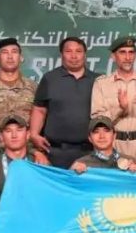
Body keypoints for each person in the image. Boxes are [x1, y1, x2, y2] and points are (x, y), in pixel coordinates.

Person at [91, 37, 136, 170]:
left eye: (131, 52)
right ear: (113, 56)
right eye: (122, 52)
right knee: (115, 183)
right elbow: (97, 119)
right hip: (113, 145)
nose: (127, 57)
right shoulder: (102, 83)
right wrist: (120, 108)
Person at [30, 36, 99, 169]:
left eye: (78, 51)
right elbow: (39, 109)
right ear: (61, 54)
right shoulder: (50, 78)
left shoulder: (98, 80)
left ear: (85, 55)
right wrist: (34, 134)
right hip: (56, 152)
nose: (74, 56)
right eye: (69, 51)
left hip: (89, 152)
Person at [0, 38, 37, 150]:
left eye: (14, 52)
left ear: (21, 58)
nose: (10, 56)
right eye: (5, 52)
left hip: (28, 150)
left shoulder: (34, 88)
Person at [70, 116, 136, 173]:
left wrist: (135, 174)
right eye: (96, 132)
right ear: (90, 138)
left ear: (114, 135)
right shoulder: (81, 163)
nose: (102, 136)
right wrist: (71, 173)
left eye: (106, 131)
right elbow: (68, 184)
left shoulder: (129, 162)